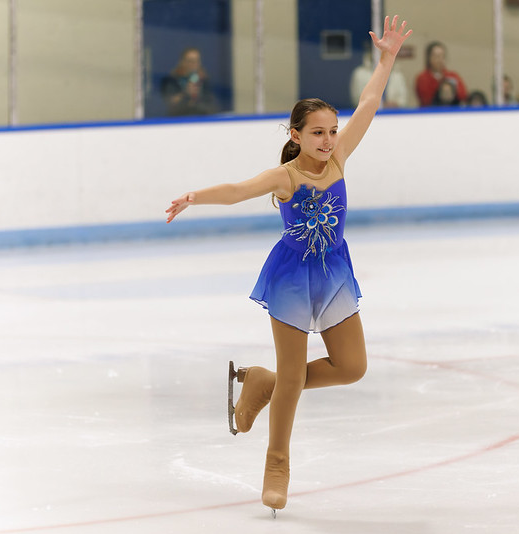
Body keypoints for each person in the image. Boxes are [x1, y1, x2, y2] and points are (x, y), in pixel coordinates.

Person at [165, 15, 412, 515]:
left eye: (331, 132)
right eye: (317, 133)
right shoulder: (285, 177)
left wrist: (386, 59)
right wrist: (196, 196)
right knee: (295, 380)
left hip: (335, 273)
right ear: (296, 135)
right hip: (292, 279)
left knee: (353, 367)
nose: (327, 139)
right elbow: (237, 191)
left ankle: (261, 380)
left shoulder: (340, 159)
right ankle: (276, 463)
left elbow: (368, 104)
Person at [161, 47, 218, 116]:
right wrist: (186, 93)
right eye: (190, 61)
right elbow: (169, 104)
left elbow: (212, 106)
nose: (193, 64)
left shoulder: (205, 82)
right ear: (182, 62)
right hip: (179, 121)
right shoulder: (171, 81)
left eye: (196, 61)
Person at [350, 43, 409, 108]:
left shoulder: (397, 75)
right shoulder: (360, 74)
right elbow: (356, 99)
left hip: (393, 114)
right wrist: (379, 105)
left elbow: (403, 100)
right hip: (367, 115)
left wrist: (393, 104)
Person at [415, 41, 468, 107]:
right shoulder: (422, 78)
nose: (440, 60)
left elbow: (463, 95)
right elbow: (426, 99)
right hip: (429, 113)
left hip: (452, 112)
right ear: (429, 58)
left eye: (442, 56)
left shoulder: (453, 76)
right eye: (436, 56)